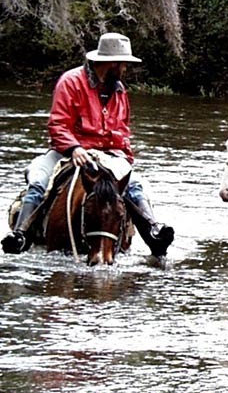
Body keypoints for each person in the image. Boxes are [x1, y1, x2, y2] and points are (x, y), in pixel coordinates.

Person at [2, 33, 175, 256]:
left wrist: (124, 156)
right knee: (39, 180)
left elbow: (123, 129)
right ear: (111, 63)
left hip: (109, 154)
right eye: (123, 64)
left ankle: (153, 233)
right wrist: (74, 148)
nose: (125, 69)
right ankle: (20, 235)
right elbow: (58, 124)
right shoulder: (70, 82)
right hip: (67, 151)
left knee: (135, 185)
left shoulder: (119, 90)